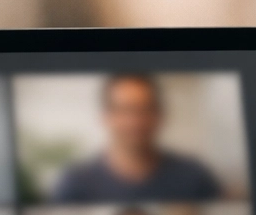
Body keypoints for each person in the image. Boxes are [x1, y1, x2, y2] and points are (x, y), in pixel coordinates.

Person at [51, 74, 222, 202]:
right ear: (106, 117)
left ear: (159, 115)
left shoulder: (194, 176)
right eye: (125, 110)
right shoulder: (75, 183)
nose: (135, 121)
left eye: (144, 109)